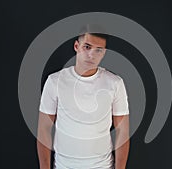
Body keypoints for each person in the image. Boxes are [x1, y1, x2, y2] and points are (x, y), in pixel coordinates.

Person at [37, 27, 130, 169]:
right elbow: (44, 129)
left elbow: (122, 131)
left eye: (98, 50)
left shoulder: (114, 83)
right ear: (76, 46)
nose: (91, 55)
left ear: (103, 53)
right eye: (87, 47)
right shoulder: (55, 81)